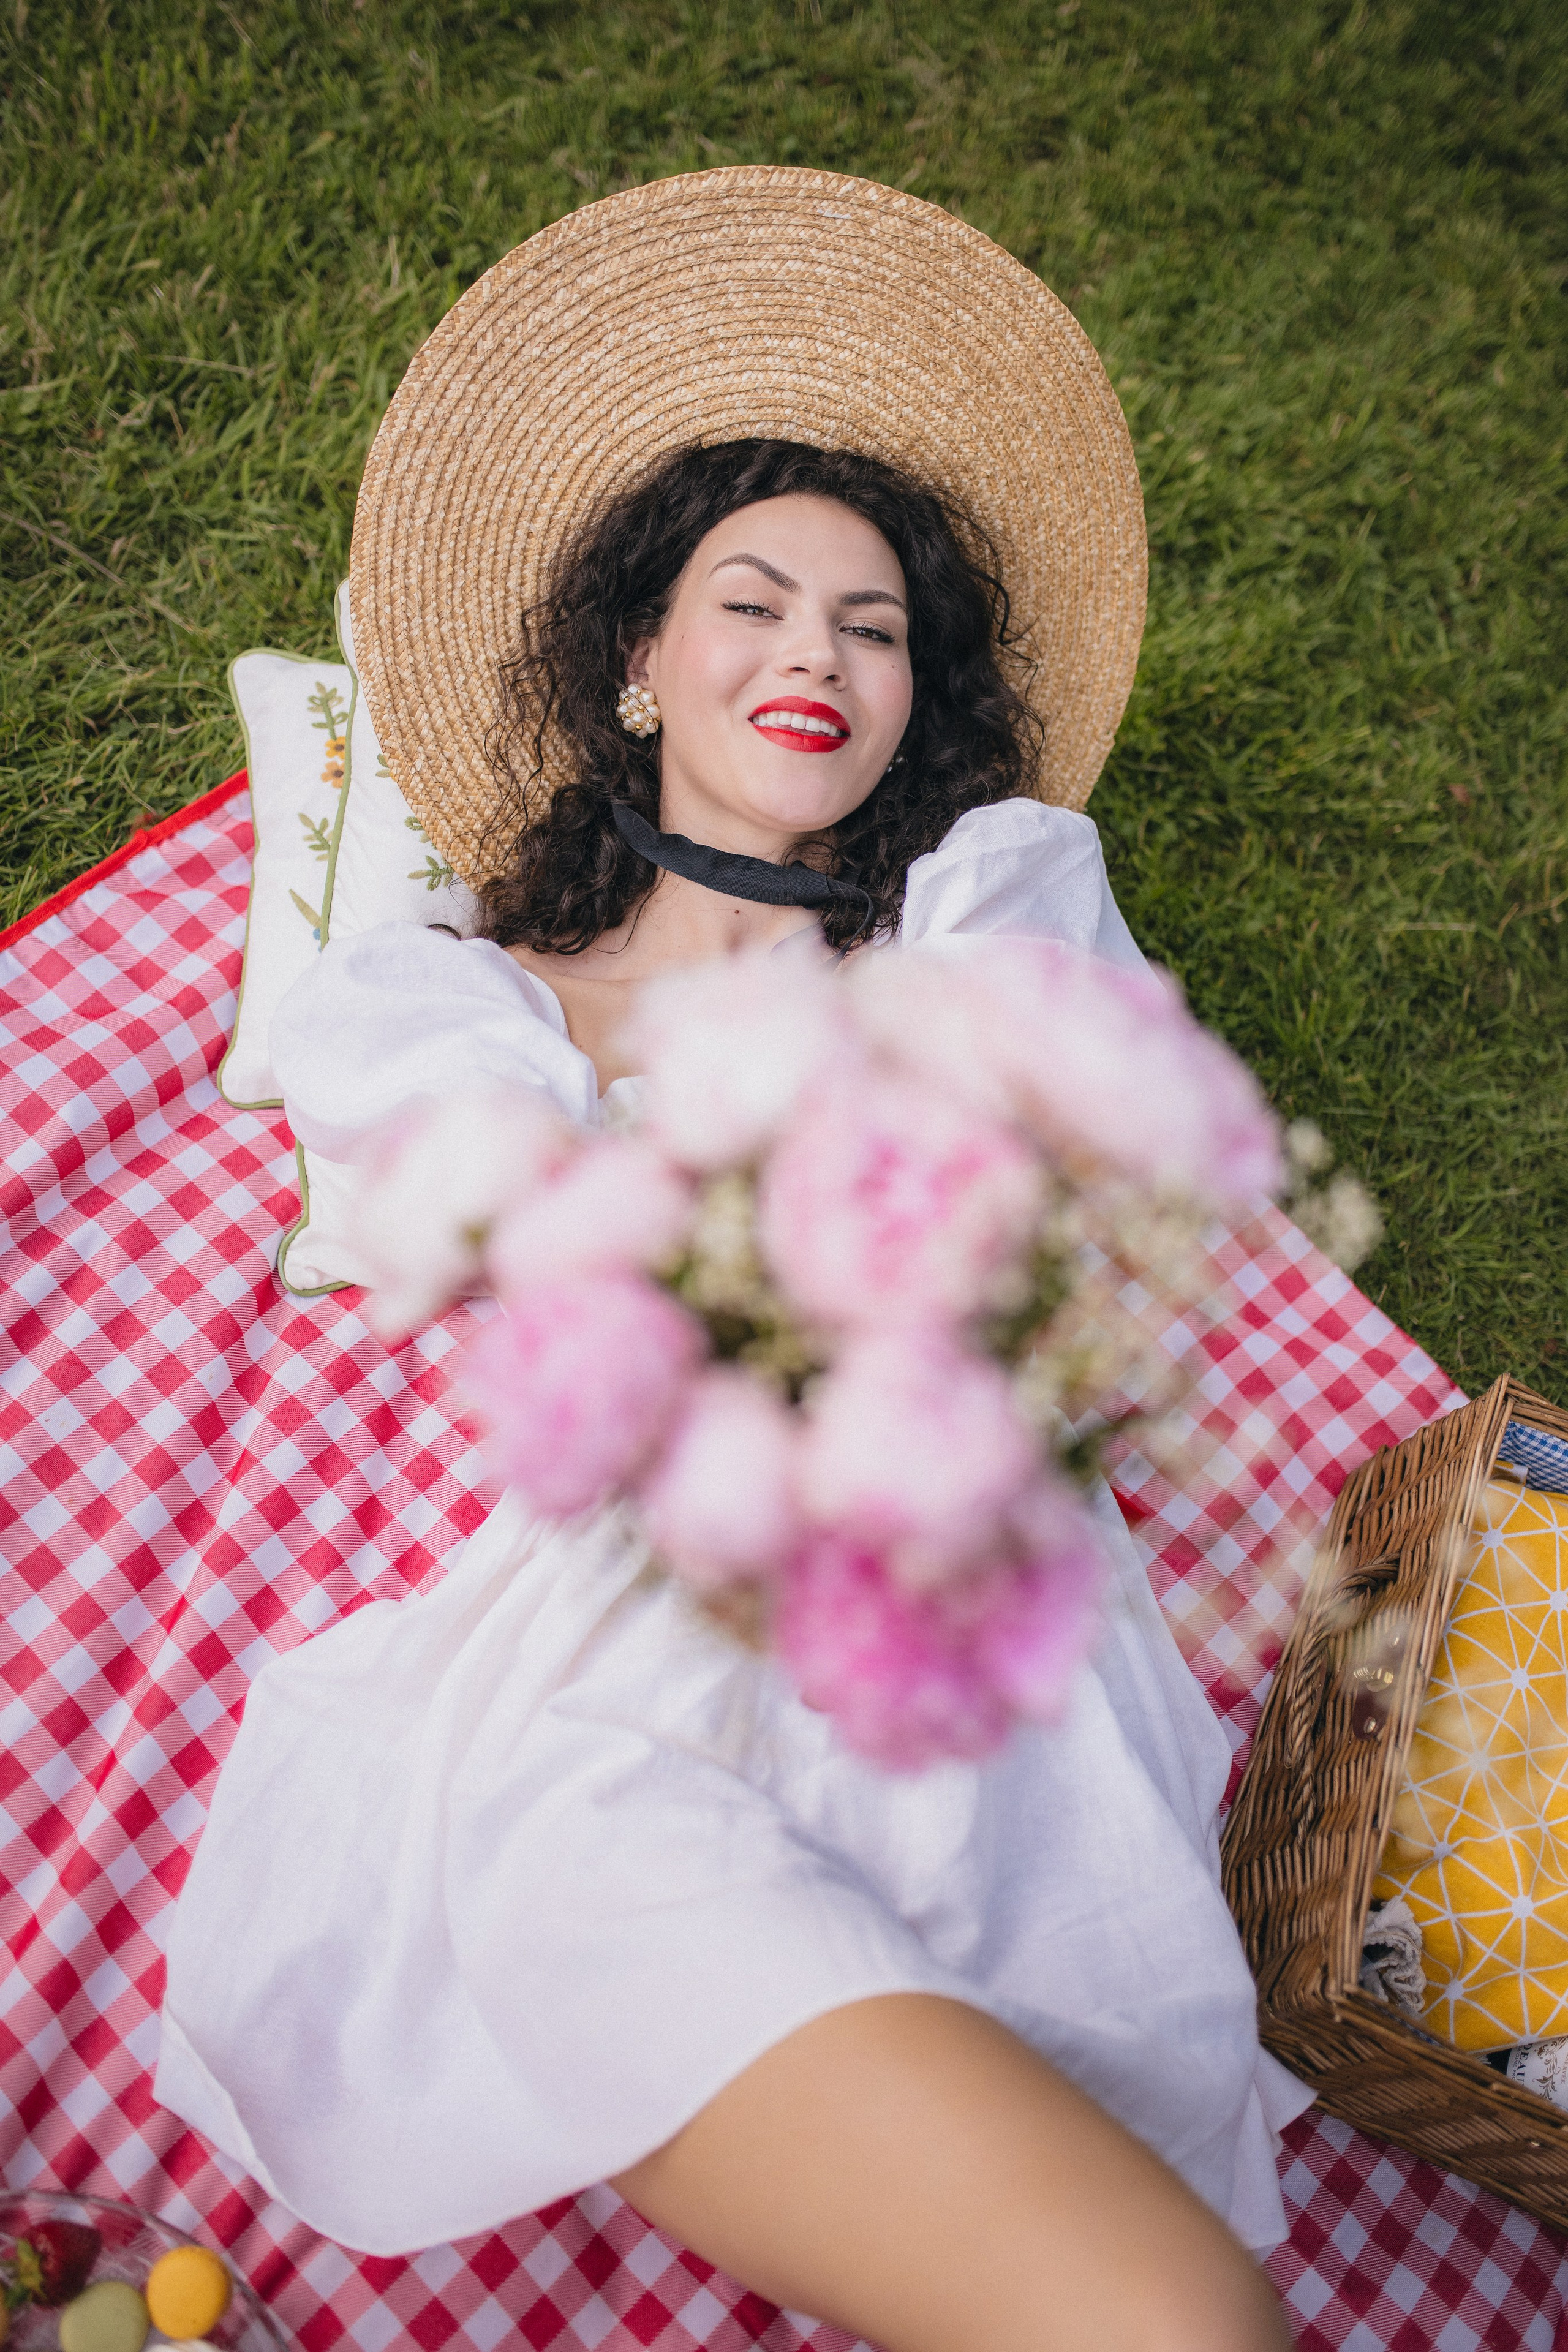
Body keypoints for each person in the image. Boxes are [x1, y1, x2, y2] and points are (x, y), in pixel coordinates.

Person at [157, 169, 1311, 2352]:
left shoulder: (986, 907)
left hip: (1002, 1723)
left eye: (874, 629)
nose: (815, 656)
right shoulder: (455, 1005)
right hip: (635, 1709)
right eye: (755, 603)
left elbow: (1072, 1224)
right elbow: (519, 1259)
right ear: (637, 663)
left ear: (910, 703)